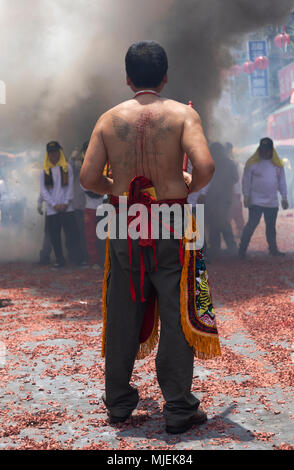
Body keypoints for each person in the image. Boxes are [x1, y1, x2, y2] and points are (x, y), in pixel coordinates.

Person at [80, 40, 221, 434]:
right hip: (173, 219)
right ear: (165, 77)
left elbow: (89, 179)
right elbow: (206, 166)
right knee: (177, 313)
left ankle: (120, 403)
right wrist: (187, 182)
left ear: (127, 78)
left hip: (125, 218)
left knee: (122, 309)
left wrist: (119, 187)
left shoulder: (108, 119)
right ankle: (178, 407)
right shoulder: (182, 115)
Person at [239, 137, 289, 259]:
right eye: (263, 149)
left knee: (271, 227)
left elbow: (282, 182)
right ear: (259, 150)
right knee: (251, 224)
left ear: (272, 150)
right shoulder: (252, 164)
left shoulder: (278, 165)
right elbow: (246, 182)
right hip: (255, 201)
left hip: (272, 202)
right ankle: (242, 249)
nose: (265, 152)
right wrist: (246, 196)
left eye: (267, 150)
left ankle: (273, 249)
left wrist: (284, 197)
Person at [40, 141, 87, 269]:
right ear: (48, 155)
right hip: (52, 210)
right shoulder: (45, 171)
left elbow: (70, 187)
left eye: (55, 152)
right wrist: (54, 204)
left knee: (73, 234)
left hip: (67, 208)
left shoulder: (67, 168)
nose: (53, 155)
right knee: (55, 236)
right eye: (50, 153)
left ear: (59, 152)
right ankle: (60, 260)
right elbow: (44, 191)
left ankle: (79, 259)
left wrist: (65, 203)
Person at [205, 143, 239, 259]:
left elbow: (235, 178)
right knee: (215, 223)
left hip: (223, 197)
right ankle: (218, 248)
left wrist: (224, 185)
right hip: (212, 198)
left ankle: (229, 248)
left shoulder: (228, 163)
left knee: (223, 222)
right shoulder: (209, 163)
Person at [80, 140, 106, 269]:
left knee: (106, 235)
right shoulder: (83, 169)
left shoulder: (104, 165)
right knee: (91, 236)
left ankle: (106, 260)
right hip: (90, 207)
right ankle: (94, 261)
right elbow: (88, 190)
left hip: (104, 206)